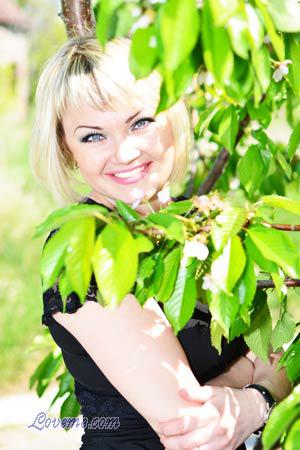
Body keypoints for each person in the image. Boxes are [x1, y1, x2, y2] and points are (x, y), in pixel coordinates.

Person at [30, 35, 291, 450]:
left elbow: (285, 349)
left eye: (140, 122)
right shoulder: (86, 248)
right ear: (67, 149)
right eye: (93, 136)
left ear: (173, 117)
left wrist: (252, 389)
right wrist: (257, 394)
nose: (126, 151)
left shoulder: (206, 224)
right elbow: (193, 428)